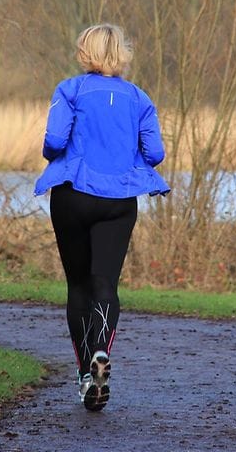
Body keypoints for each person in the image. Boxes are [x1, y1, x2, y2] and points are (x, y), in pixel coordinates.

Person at [34, 23, 170, 412]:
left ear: (84, 53)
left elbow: (54, 143)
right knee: (105, 283)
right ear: (122, 54)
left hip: (73, 195)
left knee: (78, 286)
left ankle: (84, 374)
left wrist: (58, 151)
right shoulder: (139, 98)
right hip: (119, 199)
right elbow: (156, 153)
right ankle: (101, 350)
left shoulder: (69, 90)